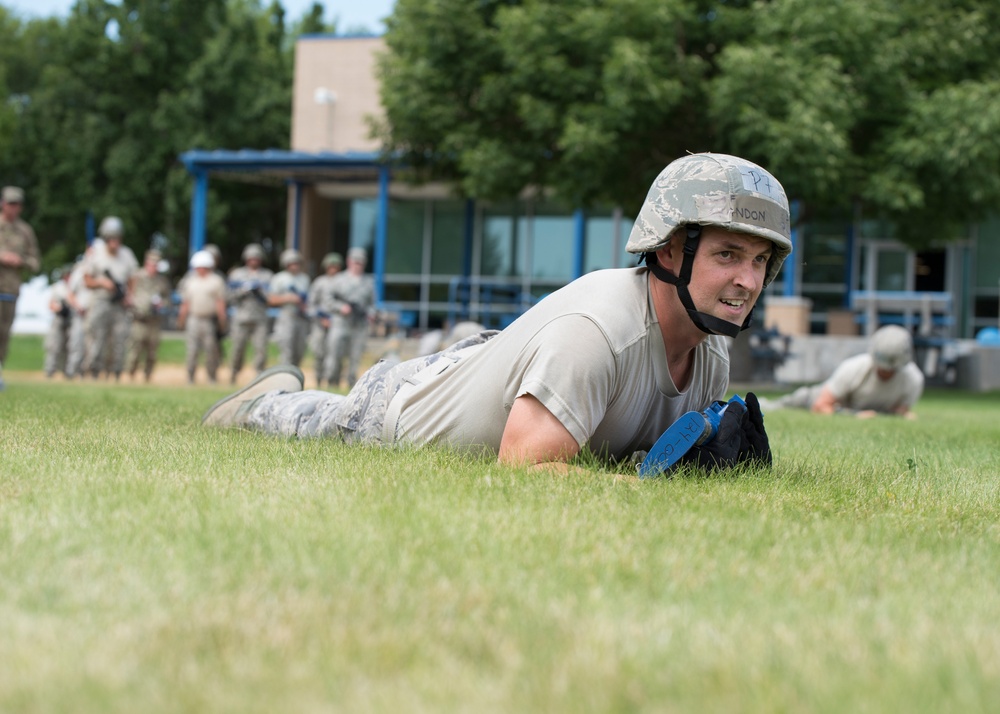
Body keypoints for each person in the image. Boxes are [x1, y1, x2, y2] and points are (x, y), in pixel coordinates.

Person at [202, 152, 790, 473]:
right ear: (668, 248)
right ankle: (260, 404)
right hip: (400, 410)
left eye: (761, 261)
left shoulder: (711, 349)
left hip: (493, 365)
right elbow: (526, 468)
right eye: (728, 255)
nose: (748, 280)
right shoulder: (595, 335)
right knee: (324, 421)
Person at [762, 324, 924, 419]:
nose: (886, 372)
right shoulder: (855, 368)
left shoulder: (913, 379)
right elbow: (821, 405)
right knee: (776, 406)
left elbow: (898, 412)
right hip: (813, 398)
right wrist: (855, 415)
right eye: (883, 367)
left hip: (860, 411)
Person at [80, 216, 139, 380]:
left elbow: (133, 277)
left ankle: (116, 373)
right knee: (96, 339)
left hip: (119, 304)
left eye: (118, 238)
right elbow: (86, 280)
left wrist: (129, 294)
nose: (116, 242)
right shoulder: (94, 254)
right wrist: (101, 283)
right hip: (100, 301)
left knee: (120, 339)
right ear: (106, 238)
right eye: (112, 238)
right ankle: (93, 372)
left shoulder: (127, 254)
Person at [0, 186, 40, 391]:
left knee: (3, 334)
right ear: (2, 203)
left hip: (10, 290)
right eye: (10, 203)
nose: (14, 207)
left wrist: (21, 260)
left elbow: (36, 262)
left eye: (18, 204)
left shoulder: (25, 231)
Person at [325, 246, 375, 389]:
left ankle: (351, 386)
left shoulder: (368, 282)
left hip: (359, 325)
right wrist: (341, 308)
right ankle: (332, 383)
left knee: (355, 357)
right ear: (349, 261)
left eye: (360, 262)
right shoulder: (338, 280)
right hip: (341, 323)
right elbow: (328, 300)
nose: (358, 264)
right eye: (355, 261)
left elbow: (372, 303)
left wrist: (371, 314)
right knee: (335, 356)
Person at [177, 250, 228, 384]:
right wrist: (181, 319)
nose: (200, 269)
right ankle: (190, 377)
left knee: (211, 350)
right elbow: (185, 302)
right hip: (193, 319)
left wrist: (222, 320)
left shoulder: (216, 281)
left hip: (209, 320)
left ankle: (211, 377)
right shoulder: (190, 281)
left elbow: (220, 302)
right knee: (192, 350)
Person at [227, 243, 274, 384]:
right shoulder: (237, 274)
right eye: (251, 258)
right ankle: (233, 374)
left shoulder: (267, 275)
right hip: (241, 317)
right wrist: (243, 290)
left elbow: (271, 298)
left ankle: (259, 377)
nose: (254, 260)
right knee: (237, 347)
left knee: (260, 349)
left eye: (256, 258)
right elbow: (229, 297)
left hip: (260, 317)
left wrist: (259, 291)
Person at [124, 249, 172, 382]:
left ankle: (148, 377)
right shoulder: (137, 277)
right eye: (152, 263)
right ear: (147, 263)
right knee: (134, 351)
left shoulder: (162, 281)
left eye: (156, 264)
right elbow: (128, 294)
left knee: (152, 353)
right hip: (139, 319)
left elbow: (168, 298)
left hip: (154, 321)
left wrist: (163, 304)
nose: (154, 267)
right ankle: (130, 376)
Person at [267, 248, 311, 368]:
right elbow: (270, 299)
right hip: (286, 316)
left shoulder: (304, 279)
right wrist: (287, 298)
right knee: (286, 349)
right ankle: (284, 378)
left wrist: (304, 305)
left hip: (301, 318)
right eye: (291, 263)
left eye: (296, 263)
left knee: (300, 350)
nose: (294, 265)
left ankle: (295, 376)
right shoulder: (279, 278)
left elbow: (308, 299)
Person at [307, 252, 343, 388]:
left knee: (336, 354)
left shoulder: (343, 282)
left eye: (335, 265)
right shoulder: (319, 282)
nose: (333, 268)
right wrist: (320, 318)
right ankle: (318, 380)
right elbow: (311, 304)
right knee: (319, 353)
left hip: (338, 323)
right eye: (330, 265)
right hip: (320, 323)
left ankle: (334, 382)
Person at [44, 266, 79, 379]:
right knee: (54, 346)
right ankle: (50, 371)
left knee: (72, 346)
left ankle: (69, 372)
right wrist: (59, 308)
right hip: (59, 318)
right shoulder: (58, 288)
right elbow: (51, 304)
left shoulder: (77, 288)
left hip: (73, 318)